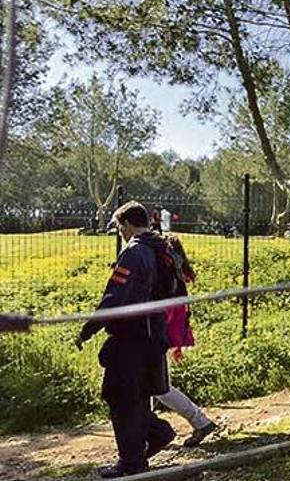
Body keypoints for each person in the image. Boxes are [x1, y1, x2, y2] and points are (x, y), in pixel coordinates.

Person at [75, 201, 176, 478]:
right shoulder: (161, 247)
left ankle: (132, 462)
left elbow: (115, 298)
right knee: (137, 396)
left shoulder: (134, 252)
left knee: (120, 397)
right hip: (154, 333)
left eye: (120, 228)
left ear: (127, 225)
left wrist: (89, 328)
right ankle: (157, 433)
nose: (120, 233)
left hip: (132, 338)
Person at [154, 235, 218, 447]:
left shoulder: (167, 278)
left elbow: (165, 315)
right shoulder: (175, 275)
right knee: (151, 387)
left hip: (155, 340)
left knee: (160, 388)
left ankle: (200, 422)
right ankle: (149, 433)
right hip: (160, 338)